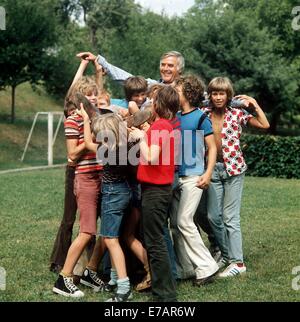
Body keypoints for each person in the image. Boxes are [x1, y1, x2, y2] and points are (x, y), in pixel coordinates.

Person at [203, 77, 270, 277]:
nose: (218, 97)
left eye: (221, 93)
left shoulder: (238, 114)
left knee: (230, 218)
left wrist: (255, 104)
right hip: (213, 169)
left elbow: (264, 124)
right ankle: (225, 255)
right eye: (214, 93)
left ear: (228, 95)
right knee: (213, 217)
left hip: (234, 170)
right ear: (210, 95)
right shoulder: (204, 114)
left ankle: (238, 262)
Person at [129, 85, 180, 302]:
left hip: (156, 191)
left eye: (153, 100)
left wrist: (141, 136)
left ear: (159, 104)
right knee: (155, 240)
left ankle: (165, 295)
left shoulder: (161, 126)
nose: (150, 103)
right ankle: (164, 290)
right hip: (156, 190)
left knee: (155, 242)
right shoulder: (162, 126)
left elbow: (150, 157)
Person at [169, 75, 219, 285]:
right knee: (174, 225)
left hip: (194, 178)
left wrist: (207, 174)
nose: (173, 94)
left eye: (177, 91)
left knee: (184, 221)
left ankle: (207, 266)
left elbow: (213, 147)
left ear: (188, 93)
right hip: (175, 177)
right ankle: (186, 268)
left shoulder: (201, 118)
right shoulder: (175, 117)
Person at [76, 50, 185, 86]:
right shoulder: (153, 87)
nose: (165, 69)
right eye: (163, 65)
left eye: (170, 66)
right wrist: (98, 60)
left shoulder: (187, 89)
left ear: (179, 69)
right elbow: (127, 78)